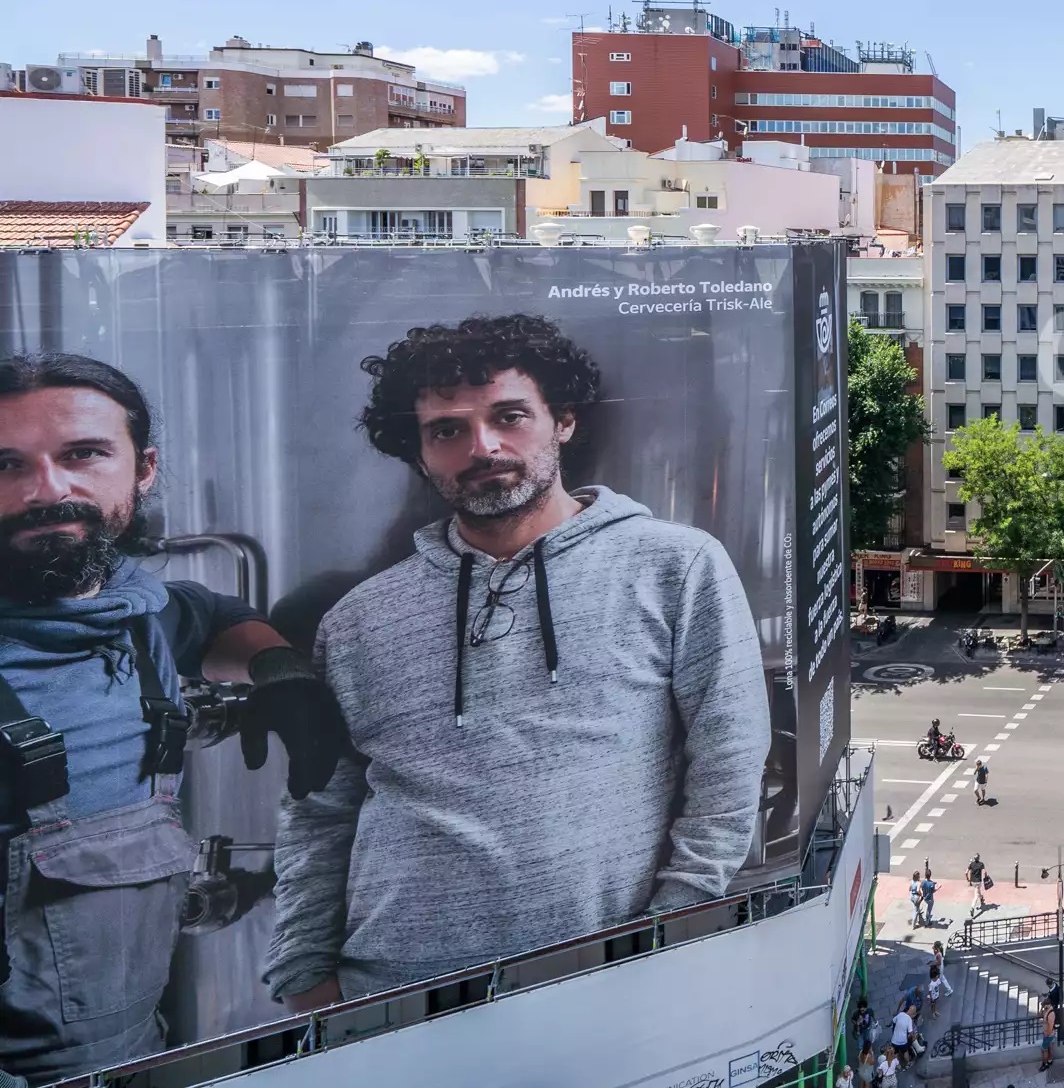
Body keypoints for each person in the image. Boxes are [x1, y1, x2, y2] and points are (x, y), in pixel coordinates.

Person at [264, 315, 773, 1008]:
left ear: (562, 420)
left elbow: (730, 760)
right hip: (385, 997)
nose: (483, 446)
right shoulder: (358, 619)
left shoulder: (674, 567)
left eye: (509, 416)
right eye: (447, 429)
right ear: (417, 451)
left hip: (604, 983)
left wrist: (672, 929)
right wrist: (304, 978)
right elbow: (318, 811)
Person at [0, 354, 349, 1082]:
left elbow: (216, 615)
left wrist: (280, 672)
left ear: (143, 467)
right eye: (7, 464)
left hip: (130, 1050)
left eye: (83, 454)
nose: (47, 489)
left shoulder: (141, 611)